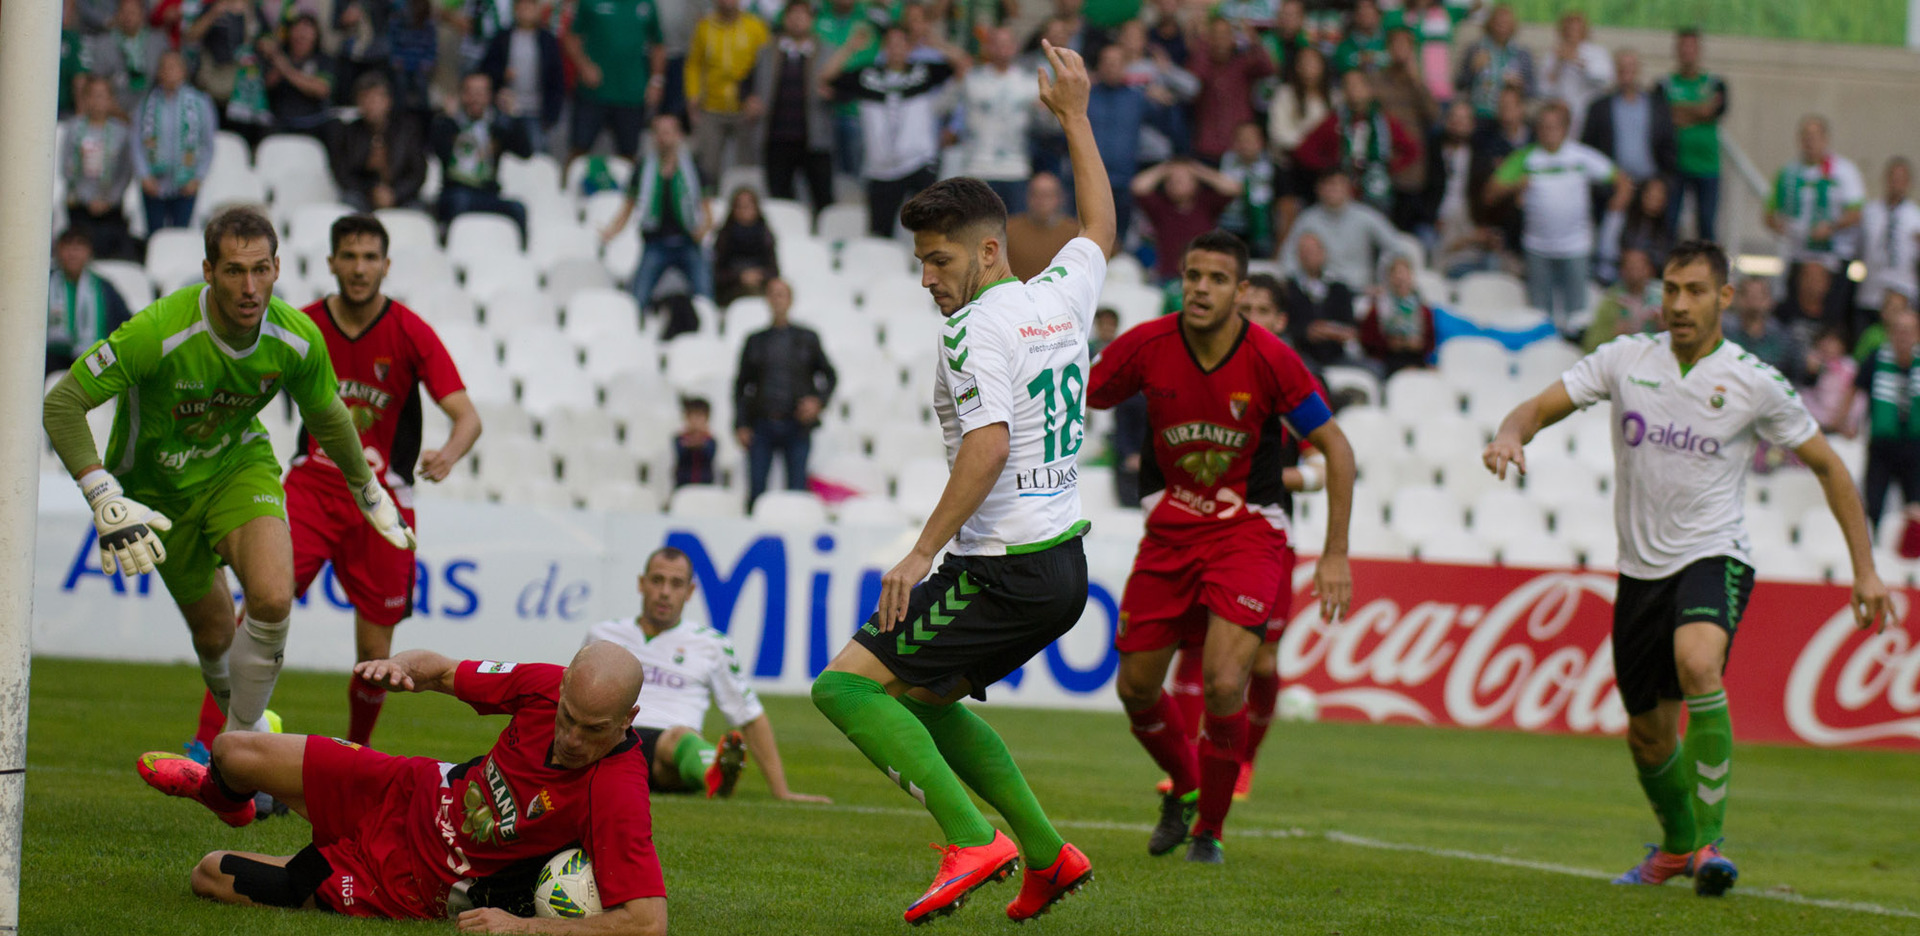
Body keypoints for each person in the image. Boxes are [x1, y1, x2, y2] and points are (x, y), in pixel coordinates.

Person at [1483, 239, 1891, 897]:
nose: (1678, 304)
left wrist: (1865, 570)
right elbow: (1535, 408)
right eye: (1671, 290)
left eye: (1694, 291)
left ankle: (1707, 845)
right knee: (1647, 740)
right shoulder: (1625, 360)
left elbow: (1830, 466)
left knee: (1698, 662)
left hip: (1713, 555)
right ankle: (1675, 848)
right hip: (1638, 571)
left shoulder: (1754, 381)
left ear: (1725, 297)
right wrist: (1510, 434)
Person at [808, 40, 1111, 925]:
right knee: (927, 700)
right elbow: (1099, 230)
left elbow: (985, 442)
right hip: (1061, 568)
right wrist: (1077, 118)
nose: (929, 279)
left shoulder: (975, 327)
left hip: (1000, 566)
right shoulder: (1061, 293)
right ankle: (1051, 857)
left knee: (845, 689)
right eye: (921, 263)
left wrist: (919, 552)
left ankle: (971, 840)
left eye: (940, 260)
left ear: (987, 251)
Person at [42, 208, 414, 757]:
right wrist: (101, 492)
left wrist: (367, 488)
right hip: (157, 494)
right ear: (208, 271)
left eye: (261, 270)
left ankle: (237, 752)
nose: (250, 287)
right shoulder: (156, 331)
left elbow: (329, 415)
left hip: (238, 467)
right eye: (235, 271)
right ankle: (253, 739)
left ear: (278, 267)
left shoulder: (295, 337)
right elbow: (63, 403)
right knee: (215, 638)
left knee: (270, 596)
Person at [1089, 228, 1354, 862]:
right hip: (1168, 536)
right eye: (1192, 276)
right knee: (1136, 690)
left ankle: (1210, 828)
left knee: (1224, 681)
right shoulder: (1147, 345)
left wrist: (1336, 554)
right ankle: (1183, 787)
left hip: (1247, 534)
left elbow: (1338, 452)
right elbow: (1084, 394)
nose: (1200, 289)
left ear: (1240, 290)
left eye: (1215, 280)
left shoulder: (1270, 358)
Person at [186, 213, 481, 755]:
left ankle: (354, 751)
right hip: (313, 489)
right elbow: (245, 389)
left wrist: (448, 454)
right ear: (331, 263)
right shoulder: (303, 324)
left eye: (370, 257)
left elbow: (467, 416)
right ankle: (208, 743)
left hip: (384, 501)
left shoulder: (410, 331)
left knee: (374, 653)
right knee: (258, 605)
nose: (360, 267)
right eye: (349, 256)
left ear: (386, 266)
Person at [137, 644, 669, 931]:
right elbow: (439, 670)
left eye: (593, 729)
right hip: (404, 787)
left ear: (630, 719)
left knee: (208, 873)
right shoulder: (545, 684)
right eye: (567, 717)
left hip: (406, 881)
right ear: (564, 686)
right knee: (231, 750)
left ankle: (294, 848)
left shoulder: (618, 791)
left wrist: (521, 927)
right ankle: (224, 800)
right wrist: (398, 666)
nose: (573, 738)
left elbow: (646, 924)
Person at [1152, 270, 1327, 801]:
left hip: (1266, 536)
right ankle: (1187, 768)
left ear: (1281, 320)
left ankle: (1243, 761)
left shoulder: (1292, 379)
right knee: (1193, 644)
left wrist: (1269, 478)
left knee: (1262, 660)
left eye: (1264, 310)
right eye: (1245, 308)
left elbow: (1323, 465)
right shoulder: (1206, 367)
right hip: (1201, 529)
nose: (1252, 319)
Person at [587, 548, 833, 803]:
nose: (665, 592)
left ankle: (712, 773)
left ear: (690, 591)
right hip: (612, 740)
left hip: (670, 749)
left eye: (676, 583)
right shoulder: (603, 635)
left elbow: (749, 715)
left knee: (679, 740)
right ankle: (711, 771)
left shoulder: (711, 645)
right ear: (642, 583)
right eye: (657, 580)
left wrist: (782, 791)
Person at [1484, 101, 1632, 338]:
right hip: (1538, 247)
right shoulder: (1526, 158)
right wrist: (1516, 185)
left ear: (1565, 129)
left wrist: (1617, 205)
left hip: (1575, 246)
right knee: (1539, 317)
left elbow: (1621, 180)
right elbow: (1490, 193)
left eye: (1554, 126)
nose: (1548, 132)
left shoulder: (1580, 155)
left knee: (1578, 317)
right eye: (1543, 127)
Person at [820, 26, 965, 238]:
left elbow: (962, 64)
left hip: (919, 161)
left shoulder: (922, 71)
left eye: (901, 43)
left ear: (909, 47)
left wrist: (936, 44)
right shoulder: (867, 75)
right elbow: (826, 77)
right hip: (881, 168)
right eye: (891, 44)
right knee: (879, 233)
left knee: (932, 228)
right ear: (884, 48)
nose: (896, 49)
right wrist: (850, 48)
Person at [733, 277, 836, 508]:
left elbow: (830, 376)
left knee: (797, 492)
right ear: (767, 300)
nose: (777, 300)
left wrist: (818, 402)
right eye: (773, 294)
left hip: (797, 424)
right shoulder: (755, 341)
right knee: (756, 491)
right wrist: (740, 423)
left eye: (782, 294)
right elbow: (741, 385)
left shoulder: (807, 338)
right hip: (761, 423)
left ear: (790, 300)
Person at [603, 113, 715, 310]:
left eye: (668, 132)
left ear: (679, 135)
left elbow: (707, 210)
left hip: (688, 242)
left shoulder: (694, 169)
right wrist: (612, 230)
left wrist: (703, 230)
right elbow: (628, 208)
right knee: (638, 297)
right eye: (659, 133)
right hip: (656, 243)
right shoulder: (643, 169)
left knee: (705, 295)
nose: (664, 138)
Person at [747, 1, 836, 212]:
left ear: (811, 20)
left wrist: (834, 94)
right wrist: (749, 100)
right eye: (792, 14)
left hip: (815, 139)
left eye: (802, 14)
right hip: (777, 137)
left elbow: (842, 86)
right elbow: (747, 82)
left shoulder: (827, 52)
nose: (797, 19)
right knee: (780, 201)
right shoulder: (767, 52)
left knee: (822, 198)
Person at [1295, 69, 1420, 218]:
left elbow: (1411, 149)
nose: (1354, 90)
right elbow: (1303, 151)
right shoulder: (1334, 121)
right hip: (1343, 196)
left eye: (1358, 85)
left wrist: (1387, 167)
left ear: (1369, 89)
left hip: (1375, 192)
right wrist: (1331, 168)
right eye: (1348, 85)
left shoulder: (1384, 122)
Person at [1766, 116, 1866, 291]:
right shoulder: (1787, 172)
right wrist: (1786, 229)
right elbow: (1769, 213)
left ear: (1825, 139)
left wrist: (1831, 227)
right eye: (1806, 137)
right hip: (1799, 255)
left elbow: (1856, 212)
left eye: (1814, 137)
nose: (1809, 142)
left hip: (1835, 256)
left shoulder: (1844, 170)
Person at [431, 72, 536, 238]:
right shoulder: (451, 125)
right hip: (455, 192)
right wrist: (447, 119)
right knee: (459, 201)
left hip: (488, 194)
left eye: (480, 93)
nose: (475, 99)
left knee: (518, 209)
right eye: (470, 92)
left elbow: (526, 152)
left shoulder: (497, 127)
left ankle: (519, 259)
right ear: (461, 95)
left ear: (490, 96)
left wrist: (514, 116)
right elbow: (436, 150)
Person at [565, 0, 668, 164]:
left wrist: (656, 81)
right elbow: (571, 37)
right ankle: (567, 186)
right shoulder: (588, 2)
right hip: (593, 93)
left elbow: (658, 44)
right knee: (579, 150)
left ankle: (628, 188)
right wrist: (584, 66)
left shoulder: (647, 5)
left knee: (629, 155)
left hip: (631, 94)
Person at [685, 0, 771, 192]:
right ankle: (708, 209)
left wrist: (759, 99)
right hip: (711, 107)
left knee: (745, 168)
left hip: (745, 109)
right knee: (708, 167)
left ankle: (743, 215)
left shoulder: (755, 26)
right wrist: (693, 96)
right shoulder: (704, 27)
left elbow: (767, 66)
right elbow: (694, 65)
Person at [956, 26, 1041, 216]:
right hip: (978, 168)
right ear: (988, 47)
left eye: (1007, 43)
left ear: (1016, 46)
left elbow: (1046, 122)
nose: (1002, 49)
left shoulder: (1029, 83)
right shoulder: (971, 79)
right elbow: (942, 108)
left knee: (1014, 235)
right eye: (996, 44)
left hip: (1016, 168)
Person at [132, 51, 218, 233]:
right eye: (164, 67)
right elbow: (136, 142)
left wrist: (197, 177)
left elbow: (208, 145)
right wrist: (144, 175)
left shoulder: (200, 103)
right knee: (154, 235)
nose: (168, 71)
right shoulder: (146, 104)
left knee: (181, 235)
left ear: (183, 71)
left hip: (186, 182)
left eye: (173, 67)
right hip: (154, 182)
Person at [1279, 170, 1401, 291]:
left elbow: (1396, 246)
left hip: (1361, 290)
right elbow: (1287, 256)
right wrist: (1302, 285)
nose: (1333, 189)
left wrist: (1384, 283)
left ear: (1348, 188)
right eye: (1329, 185)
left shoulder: (1366, 216)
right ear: (1319, 189)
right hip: (1323, 293)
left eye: (1338, 184)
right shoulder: (1307, 220)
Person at [61, 75, 139, 263]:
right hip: (81, 205)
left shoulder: (122, 131)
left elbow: (125, 172)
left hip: (110, 208)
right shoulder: (74, 128)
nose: (98, 101)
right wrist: (87, 198)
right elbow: (67, 166)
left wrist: (109, 199)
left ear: (111, 99)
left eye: (102, 95)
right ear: (85, 98)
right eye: (93, 95)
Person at [1661, 28, 1729, 239]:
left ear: (1699, 50)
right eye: (1683, 46)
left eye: (1691, 47)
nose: (1687, 52)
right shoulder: (1664, 84)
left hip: (1707, 165)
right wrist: (1700, 110)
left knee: (1706, 224)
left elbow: (1714, 111)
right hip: (1675, 166)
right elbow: (1664, 116)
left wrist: (1680, 111)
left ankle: (1707, 270)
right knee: (1669, 223)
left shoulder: (1715, 83)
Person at [329, 74, 427, 213]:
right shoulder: (349, 133)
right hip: (364, 196)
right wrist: (370, 190)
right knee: (348, 203)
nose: (370, 104)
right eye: (364, 98)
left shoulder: (407, 131)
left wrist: (395, 194)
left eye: (375, 98)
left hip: (401, 197)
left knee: (418, 211)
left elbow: (418, 173)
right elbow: (342, 174)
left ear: (388, 101)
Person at [1132, 159, 1242, 281]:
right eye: (1171, 180)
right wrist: (1166, 168)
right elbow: (1138, 187)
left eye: (1182, 179)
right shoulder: (1161, 207)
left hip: (1203, 276)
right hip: (1168, 276)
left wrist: (1199, 170)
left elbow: (1234, 188)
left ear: (1195, 183)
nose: (1176, 183)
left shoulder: (1206, 204)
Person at [480, 0, 566, 154]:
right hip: (505, 109)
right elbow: (485, 70)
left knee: (536, 155)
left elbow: (556, 80)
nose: (526, 11)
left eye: (530, 6)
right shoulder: (502, 37)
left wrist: (552, 115)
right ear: (515, 10)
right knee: (498, 151)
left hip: (536, 112)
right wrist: (502, 74)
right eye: (522, 6)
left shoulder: (547, 41)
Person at [1580, 50, 1675, 189]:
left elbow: (1668, 145)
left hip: (1650, 187)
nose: (1626, 71)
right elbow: (1589, 148)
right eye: (1621, 67)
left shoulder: (1658, 106)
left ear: (1638, 70)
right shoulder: (1599, 108)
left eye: (1630, 66)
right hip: (1613, 187)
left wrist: (1662, 181)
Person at [1186, 16, 1274, 165]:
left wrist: (1254, 42)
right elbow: (1194, 79)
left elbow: (1267, 68)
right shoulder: (1202, 63)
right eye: (1216, 36)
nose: (1221, 41)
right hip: (1208, 146)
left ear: (1233, 38)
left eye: (1225, 35)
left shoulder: (1242, 62)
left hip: (1239, 148)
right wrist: (1201, 45)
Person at [1267, 44, 1333, 241]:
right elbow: (1279, 133)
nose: (1309, 67)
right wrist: (1309, 145)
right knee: (1287, 215)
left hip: (1320, 169)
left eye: (1314, 63)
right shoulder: (1285, 94)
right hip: (1289, 166)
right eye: (1303, 63)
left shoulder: (1333, 98)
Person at [46, 228, 132, 375]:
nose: (73, 254)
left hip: (94, 355)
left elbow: (125, 324)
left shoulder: (103, 287)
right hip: (52, 355)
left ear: (89, 252)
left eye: (79, 247)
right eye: (67, 247)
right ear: (58, 250)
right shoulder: (44, 284)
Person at [1086, 43, 1149, 241]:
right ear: (1099, 66)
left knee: (1120, 238)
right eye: (1107, 62)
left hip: (1124, 181)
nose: (1111, 67)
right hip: (1088, 180)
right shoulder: (1085, 97)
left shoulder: (1137, 98)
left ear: (1125, 66)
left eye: (1116, 62)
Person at [1280, 232, 1360, 370]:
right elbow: (1283, 326)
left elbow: (1351, 327)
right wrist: (1306, 332)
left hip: (1338, 355)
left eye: (1313, 251)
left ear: (1323, 253)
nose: (1308, 256)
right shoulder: (1287, 289)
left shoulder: (1339, 288)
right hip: (1302, 355)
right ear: (1298, 256)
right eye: (1304, 251)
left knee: (1372, 370)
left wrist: (1332, 331)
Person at [1856, 157, 1920, 320]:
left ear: (1908, 183)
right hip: (1871, 291)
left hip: (1903, 293)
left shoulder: (1915, 217)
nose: (1896, 183)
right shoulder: (1870, 212)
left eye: (1901, 179)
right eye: (1893, 178)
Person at [86, 0, 169, 114]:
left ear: (142, 14)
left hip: (155, 111)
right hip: (113, 114)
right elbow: (96, 83)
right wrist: (119, 113)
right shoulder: (103, 44)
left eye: (133, 12)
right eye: (124, 12)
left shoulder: (159, 42)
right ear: (117, 14)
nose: (128, 17)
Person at [259, 14, 335, 135]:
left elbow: (322, 89)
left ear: (315, 37)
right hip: (280, 124)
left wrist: (286, 70)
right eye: (297, 31)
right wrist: (274, 55)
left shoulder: (324, 60)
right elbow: (265, 85)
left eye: (306, 33)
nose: (301, 35)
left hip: (314, 124)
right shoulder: (279, 56)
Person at [1359, 253, 1435, 375]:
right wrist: (1389, 343)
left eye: (1404, 274)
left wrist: (1418, 344)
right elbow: (1366, 341)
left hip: (1416, 358)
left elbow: (1430, 342)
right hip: (1386, 360)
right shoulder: (1378, 309)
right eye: (1396, 274)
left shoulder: (1423, 310)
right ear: (1389, 278)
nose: (1400, 279)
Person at [1454, 4, 1533, 119]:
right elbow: (1460, 85)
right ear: (1490, 24)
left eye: (1506, 23)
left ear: (1513, 26)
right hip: (1479, 111)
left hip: (1509, 115)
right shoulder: (1476, 49)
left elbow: (1533, 90)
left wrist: (1520, 85)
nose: (1501, 26)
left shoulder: (1522, 54)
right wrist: (1472, 70)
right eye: (1498, 22)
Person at [1720, 275, 1802, 383]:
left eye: (1760, 295)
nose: (1753, 300)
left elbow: (1795, 377)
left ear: (1771, 301)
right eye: (1747, 294)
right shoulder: (1722, 335)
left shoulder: (1784, 339)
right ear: (1736, 299)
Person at [1540, 10, 1612, 133]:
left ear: (1584, 31)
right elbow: (1544, 89)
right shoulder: (1552, 55)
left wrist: (1577, 62)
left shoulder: (1597, 53)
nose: (1572, 33)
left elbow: (1605, 81)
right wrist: (1558, 64)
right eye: (1568, 29)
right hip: (1561, 117)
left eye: (1576, 29)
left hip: (1590, 115)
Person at [713, 188, 781, 306]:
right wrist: (740, 277)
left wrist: (759, 275)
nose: (744, 210)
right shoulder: (725, 236)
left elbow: (774, 271)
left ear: (756, 208)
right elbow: (717, 274)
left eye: (748, 206)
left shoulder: (765, 235)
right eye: (740, 206)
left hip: (761, 285)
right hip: (732, 289)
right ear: (733, 209)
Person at [1007, 172, 1080, 282]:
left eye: (1048, 195)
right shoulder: (1008, 231)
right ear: (1027, 197)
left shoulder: (1076, 233)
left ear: (1060, 198)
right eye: (1036, 195)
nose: (1042, 201)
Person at [1219, 122, 1276, 258]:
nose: (1245, 144)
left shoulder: (1273, 165)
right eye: (1241, 140)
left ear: (1261, 142)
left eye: (1250, 139)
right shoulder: (1225, 162)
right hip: (1230, 225)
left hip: (1262, 228)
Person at [1331, 0, 1387, 75]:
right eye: (1360, 9)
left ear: (1379, 15)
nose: (1365, 13)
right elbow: (1344, 65)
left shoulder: (1391, 40)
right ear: (1355, 16)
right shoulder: (1344, 47)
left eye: (1369, 9)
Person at [674, 397, 718, 488]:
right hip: (683, 486)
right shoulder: (679, 438)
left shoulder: (711, 440)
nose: (695, 422)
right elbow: (681, 452)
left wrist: (698, 442)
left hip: (705, 486)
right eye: (692, 417)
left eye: (699, 417)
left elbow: (709, 453)